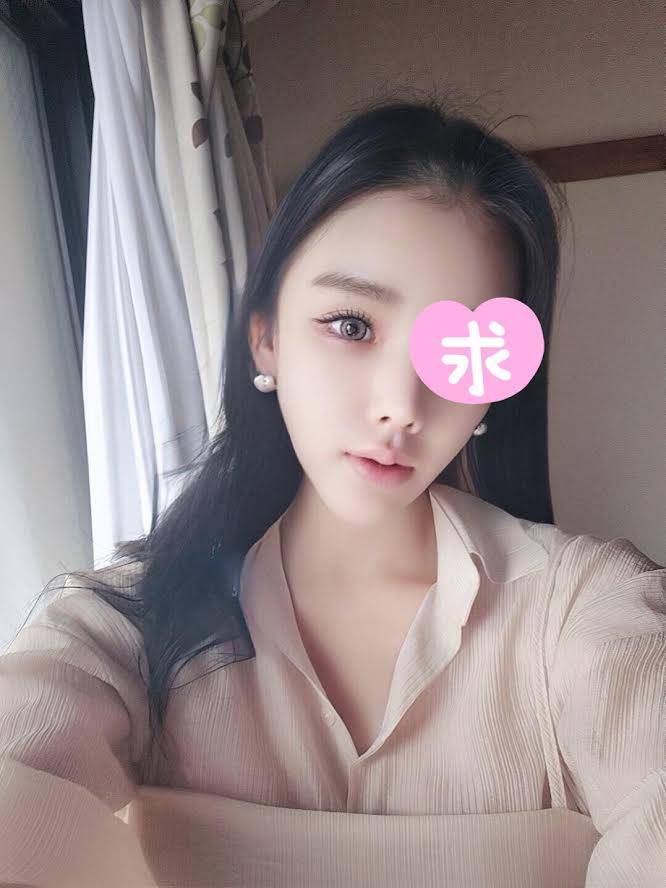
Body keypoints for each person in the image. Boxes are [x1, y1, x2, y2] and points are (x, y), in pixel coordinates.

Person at [1, 95, 664, 887]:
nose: (401, 406)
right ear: (265, 337)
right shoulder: (125, 628)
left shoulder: (583, 609)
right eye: (352, 325)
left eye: (458, 352)